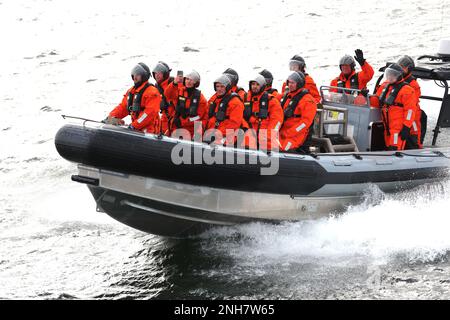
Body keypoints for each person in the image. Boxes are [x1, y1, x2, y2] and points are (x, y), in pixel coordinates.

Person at [105, 62, 161, 133]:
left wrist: (134, 125)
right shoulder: (131, 91)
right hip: (136, 129)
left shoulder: (152, 92)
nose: (135, 77)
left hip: (150, 131)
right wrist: (110, 118)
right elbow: (122, 107)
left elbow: (149, 113)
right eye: (134, 75)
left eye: (138, 75)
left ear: (144, 76)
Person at [373, 63, 418, 150]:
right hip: (387, 126)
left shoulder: (407, 90)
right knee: (388, 148)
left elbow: (410, 111)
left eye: (392, 75)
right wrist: (365, 96)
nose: (390, 77)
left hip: (398, 128)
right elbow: (376, 101)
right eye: (388, 74)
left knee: (395, 149)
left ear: (398, 76)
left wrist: (406, 127)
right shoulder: (386, 87)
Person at [242, 74, 284, 150]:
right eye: (253, 84)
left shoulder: (271, 100)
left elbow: (277, 120)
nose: (254, 86)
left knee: (273, 152)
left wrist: (268, 135)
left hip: (265, 134)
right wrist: (245, 127)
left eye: (257, 84)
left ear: (263, 86)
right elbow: (239, 116)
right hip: (249, 132)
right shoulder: (244, 98)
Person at [279, 71, 317, 152]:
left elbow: (304, 123)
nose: (290, 85)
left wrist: (289, 132)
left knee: (284, 149)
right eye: (289, 82)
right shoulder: (287, 97)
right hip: (283, 132)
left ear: (299, 84)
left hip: (297, 135)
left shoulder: (308, 100)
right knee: (267, 146)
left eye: (293, 83)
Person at [163, 70, 208, 138]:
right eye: (187, 79)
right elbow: (167, 94)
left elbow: (198, 117)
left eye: (191, 80)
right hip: (175, 126)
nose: (188, 81)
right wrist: (174, 83)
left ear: (196, 82)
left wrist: (183, 122)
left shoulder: (201, 99)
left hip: (190, 130)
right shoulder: (179, 91)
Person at [206, 74, 244, 145]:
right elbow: (206, 116)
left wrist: (217, 135)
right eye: (217, 86)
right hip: (211, 133)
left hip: (226, 136)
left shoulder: (235, 102)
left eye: (222, 86)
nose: (219, 89)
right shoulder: (214, 99)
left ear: (227, 87)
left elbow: (234, 124)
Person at [398, 55, 425, 148]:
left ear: (409, 69)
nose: (400, 70)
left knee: (414, 139)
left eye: (403, 68)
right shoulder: (396, 80)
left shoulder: (413, 84)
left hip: (412, 117)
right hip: (400, 115)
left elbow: (411, 105)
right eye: (399, 67)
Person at [152, 61, 174, 135]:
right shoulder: (156, 88)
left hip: (176, 120)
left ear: (165, 74)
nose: (157, 75)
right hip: (164, 119)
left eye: (159, 73)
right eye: (155, 73)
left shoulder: (175, 85)